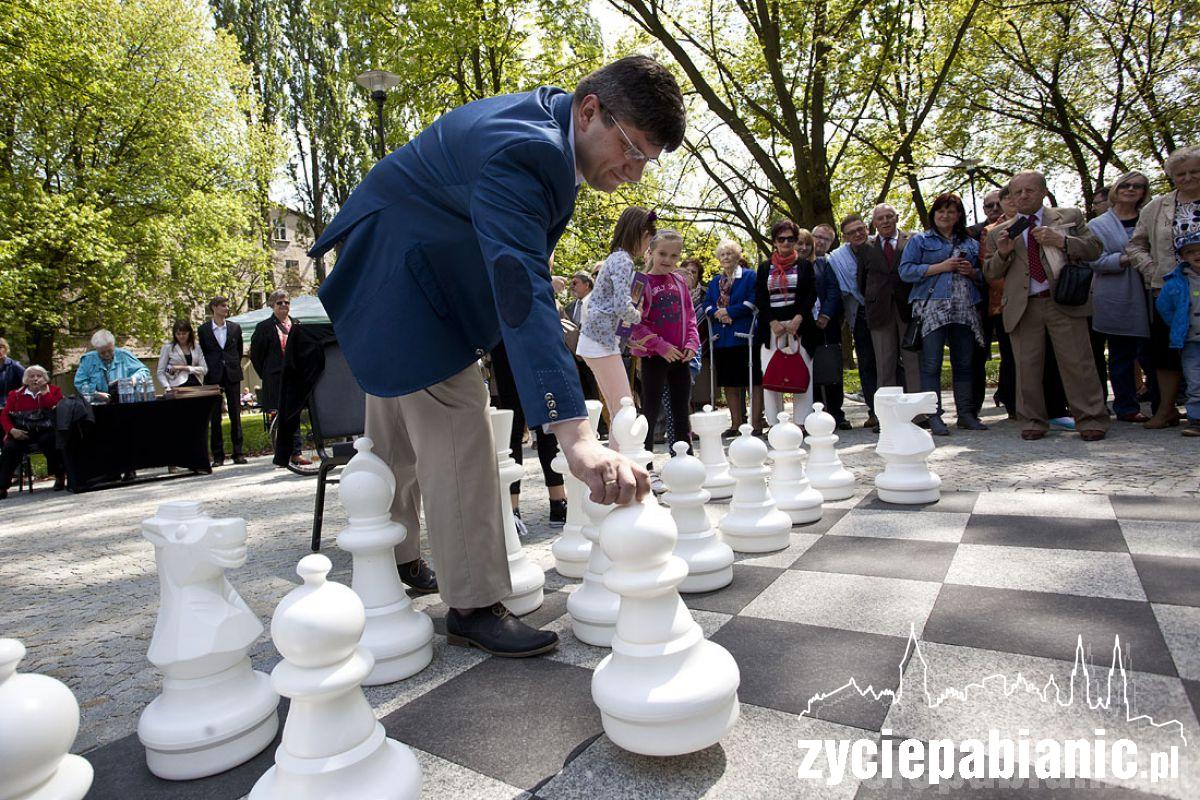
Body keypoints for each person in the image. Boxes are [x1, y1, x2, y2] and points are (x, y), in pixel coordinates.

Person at [307, 56, 682, 657]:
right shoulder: (527, 152)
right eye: (632, 150)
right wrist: (576, 433)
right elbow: (522, 287)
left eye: (647, 161)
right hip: (407, 282)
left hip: (391, 265)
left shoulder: (547, 122)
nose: (635, 174)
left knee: (394, 428)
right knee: (458, 413)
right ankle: (474, 602)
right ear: (590, 111)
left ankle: (396, 556)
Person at [984, 171, 1107, 441]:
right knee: (1026, 367)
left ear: (1043, 192)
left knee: (1078, 362)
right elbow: (990, 272)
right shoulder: (999, 232)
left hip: (1062, 300)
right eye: (1018, 192)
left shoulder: (1069, 217)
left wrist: (1062, 241)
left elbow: (1095, 249)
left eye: (1030, 190)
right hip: (1023, 306)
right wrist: (1004, 252)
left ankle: (1090, 418)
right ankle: (1032, 420)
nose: (1024, 196)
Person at [899, 193, 987, 434]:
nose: (945, 215)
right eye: (941, 211)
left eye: (951, 211)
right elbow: (905, 271)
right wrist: (941, 267)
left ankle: (966, 414)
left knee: (964, 363)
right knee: (931, 364)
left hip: (964, 307)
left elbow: (984, 275)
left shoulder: (970, 243)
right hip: (932, 308)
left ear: (959, 216)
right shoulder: (920, 241)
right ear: (933, 214)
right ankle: (934, 416)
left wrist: (972, 272)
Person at [1128, 146, 1200, 429]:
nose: (1188, 177)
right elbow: (1135, 244)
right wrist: (1152, 269)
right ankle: (1166, 409)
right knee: (1166, 351)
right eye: (1181, 173)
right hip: (1170, 290)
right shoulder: (1157, 207)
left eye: (1195, 171)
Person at [1087, 170, 1154, 422]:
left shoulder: (1150, 219)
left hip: (1151, 291)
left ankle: (1163, 404)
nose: (1131, 189)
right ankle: (1126, 406)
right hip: (1117, 294)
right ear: (1116, 189)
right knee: (1121, 354)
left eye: (1137, 186)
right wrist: (1127, 258)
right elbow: (1094, 260)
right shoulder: (1098, 225)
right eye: (1125, 185)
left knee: (1154, 352)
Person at [579, 206, 656, 417]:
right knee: (624, 408)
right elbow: (622, 306)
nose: (648, 246)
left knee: (618, 409)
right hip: (600, 342)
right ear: (642, 234)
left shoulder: (616, 258)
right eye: (649, 240)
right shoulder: (623, 261)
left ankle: (618, 450)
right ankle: (621, 450)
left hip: (597, 339)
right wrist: (638, 316)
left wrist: (626, 335)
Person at [629, 229, 699, 454]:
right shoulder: (640, 283)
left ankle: (683, 459)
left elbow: (690, 316)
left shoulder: (679, 281)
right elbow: (633, 323)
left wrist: (691, 343)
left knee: (681, 411)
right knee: (650, 410)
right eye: (662, 254)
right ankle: (645, 462)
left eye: (674, 256)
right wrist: (659, 346)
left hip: (681, 357)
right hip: (654, 358)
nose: (668, 260)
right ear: (650, 252)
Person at [756, 220, 819, 427]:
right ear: (774, 241)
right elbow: (760, 297)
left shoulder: (805, 265)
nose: (786, 243)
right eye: (781, 239)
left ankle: (802, 422)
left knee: (801, 372)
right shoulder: (765, 267)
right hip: (772, 327)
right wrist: (772, 321)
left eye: (790, 239)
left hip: (799, 325)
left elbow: (811, 294)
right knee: (772, 373)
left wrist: (798, 319)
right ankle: (775, 423)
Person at [860, 204, 920, 399]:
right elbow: (861, 280)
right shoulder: (866, 247)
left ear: (896, 217)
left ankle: (917, 413)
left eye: (889, 216)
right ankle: (887, 416)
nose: (885, 221)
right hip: (880, 312)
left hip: (907, 309)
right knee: (884, 363)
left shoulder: (912, 240)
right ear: (874, 223)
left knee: (913, 362)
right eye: (880, 218)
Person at [705, 239, 762, 433]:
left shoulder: (749, 276)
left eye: (729, 253)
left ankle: (755, 424)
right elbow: (707, 304)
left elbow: (753, 301)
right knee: (729, 381)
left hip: (745, 335)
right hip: (723, 338)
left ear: (738, 256)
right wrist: (717, 313)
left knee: (752, 381)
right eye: (722, 254)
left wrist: (730, 312)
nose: (726, 257)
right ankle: (736, 423)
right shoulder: (714, 282)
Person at [829, 214, 879, 428]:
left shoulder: (879, 247)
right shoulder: (838, 258)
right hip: (859, 314)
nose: (858, 234)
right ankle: (874, 411)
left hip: (884, 311)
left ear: (867, 229)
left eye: (860, 229)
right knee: (867, 363)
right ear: (845, 236)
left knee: (889, 363)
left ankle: (896, 408)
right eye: (851, 232)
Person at [250, 290, 308, 466]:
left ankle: (296, 452)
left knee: (295, 413)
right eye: (279, 303)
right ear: (272, 306)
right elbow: (257, 356)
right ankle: (286, 453)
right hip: (276, 377)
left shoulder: (297, 324)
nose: (284, 306)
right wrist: (267, 373)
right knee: (282, 415)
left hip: (296, 376)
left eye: (286, 302)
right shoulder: (264, 327)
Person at [1153, 232, 1200, 436]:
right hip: (1191, 341)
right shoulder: (1176, 282)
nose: (1196, 254)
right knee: (1195, 380)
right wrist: (1178, 325)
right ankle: (1197, 419)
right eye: (1190, 251)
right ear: (1183, 257)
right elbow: (1164, 307)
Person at [0, 365, 64, 499]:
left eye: (39, 376)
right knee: (9, 448)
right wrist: (12, 430)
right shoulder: (15, 395)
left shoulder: (54, 391)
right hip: (22, 431)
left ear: (45, 378)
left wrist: (44, 392)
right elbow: (4, 415)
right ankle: (2, 486)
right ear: (25, 380)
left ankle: (59, 476)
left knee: (51, 440)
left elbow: (54, 409)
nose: (35, 379)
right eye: (31, 376)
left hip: (45, 430)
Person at [198, 296, 247, 466]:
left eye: (227, 306)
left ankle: (238, 453)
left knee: (235, 414)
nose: (226, 309)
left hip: (232, 374)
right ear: (214, 308)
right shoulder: (203, 330)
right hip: (213, 376)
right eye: (223, 306)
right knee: (215, 417)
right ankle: (218, 456)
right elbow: (203, 352)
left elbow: (238, 350)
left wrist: (232, 364)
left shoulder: (235, 328)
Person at [811, 224, 849, 429]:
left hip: (828, 324)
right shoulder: (801, 262)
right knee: (811, 369)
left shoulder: (829, 264)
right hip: (805, 325)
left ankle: (836, 412)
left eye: (826, 239)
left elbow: (835, 292)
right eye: (817, 236)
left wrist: (825, 314)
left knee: (832, 368)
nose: (820, 241)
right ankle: (816, 413)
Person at [73, 330, 150, 401]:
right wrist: (95, 394)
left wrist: (133, 379)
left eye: (110, 351)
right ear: (96, 349)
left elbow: (144, 371)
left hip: (125, 401)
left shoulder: (124, 355)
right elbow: (80, 382)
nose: (107, 354)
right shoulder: (88, 360)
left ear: (113, 345)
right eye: (102, 352)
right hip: (98, 404)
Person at [156, 320, 208, 391]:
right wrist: (167, 387)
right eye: (178, 334)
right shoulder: (168, 348)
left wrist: (183, 367)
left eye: (184, 333)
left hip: (196, 385)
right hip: (177, 387)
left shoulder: (196, 347)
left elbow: (204, 370)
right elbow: (161, 372)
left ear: (189, 333)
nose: (181, 336)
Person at [0, 338, 25, 409]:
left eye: (0, 347)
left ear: (6, 349)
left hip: (11, 408)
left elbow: (28, 383)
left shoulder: (15, 365)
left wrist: (16, 395)